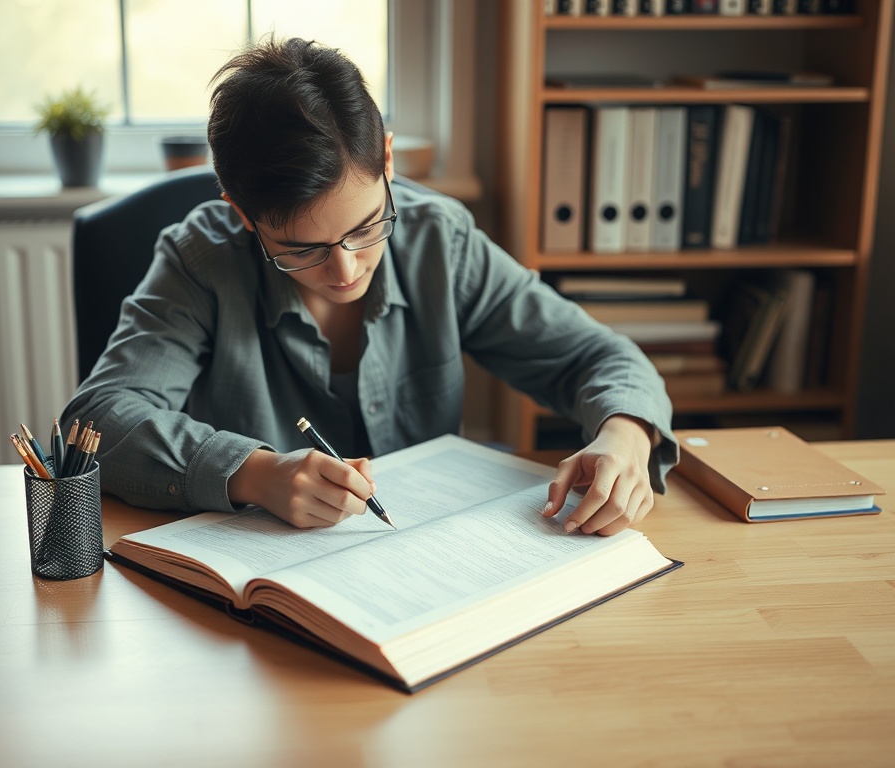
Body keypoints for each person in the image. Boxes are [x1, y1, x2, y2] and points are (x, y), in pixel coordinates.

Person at [62, 37, 678, 536]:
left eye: (366, 227)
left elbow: (598, 356)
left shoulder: (441, 240)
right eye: (302, 250)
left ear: (386, 160)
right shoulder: (201, 260)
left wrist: (624, 434)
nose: (346, 269)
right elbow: (98, 419)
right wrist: (254, 473)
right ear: (243, 213)